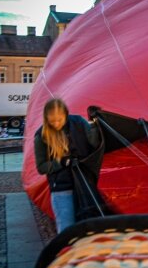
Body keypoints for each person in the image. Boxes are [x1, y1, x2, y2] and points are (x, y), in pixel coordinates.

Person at [34, 98, 101, 233]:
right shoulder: (42, 136)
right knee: (67, 230)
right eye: (52, 121)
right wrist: (61, 162)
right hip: (62, 188)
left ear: (66, 114)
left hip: (84, 184)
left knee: (90, 227)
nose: (57, 123)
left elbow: (95, 144)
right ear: (46, 119)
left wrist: (96, 124)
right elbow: (41, 167)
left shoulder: (79, 122)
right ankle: (67, 253)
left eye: (60, 119)